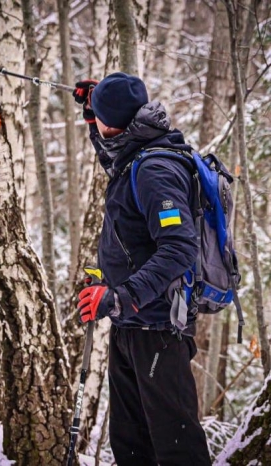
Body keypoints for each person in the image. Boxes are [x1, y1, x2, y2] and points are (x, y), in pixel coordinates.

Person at [73, 72, 211, 465]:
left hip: (158, 328)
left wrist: (120, 296)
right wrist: (90, 113)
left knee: (177, 448)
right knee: (130, 444)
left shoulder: (155, 170)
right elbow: (113, 159)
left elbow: (180, 247)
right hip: (131, 323)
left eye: (99, 116)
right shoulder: (136, 151)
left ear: (112, 121)